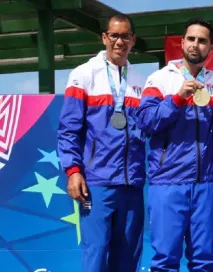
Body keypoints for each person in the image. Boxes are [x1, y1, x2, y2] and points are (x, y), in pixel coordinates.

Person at [57, 14, 146, 272]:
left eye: (125, 36)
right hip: (95, 183)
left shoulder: (140, 80)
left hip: (131, 184)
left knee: (128, 256)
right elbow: (68, 128)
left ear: (133, 40)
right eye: (114, 36)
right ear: (104, 38)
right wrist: (73, 171)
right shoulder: (83, 74)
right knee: (95, 253)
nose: (120, 41)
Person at [136, 18, 213, 271]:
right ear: (182, 42)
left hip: (205, 182)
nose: (195, 45)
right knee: (165, 259)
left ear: (210, 47)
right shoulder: (160, 79)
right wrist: (177, 99)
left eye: (202, 40)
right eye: (191, 39)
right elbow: (146, 122)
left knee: (204, 259)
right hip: (168, 180)